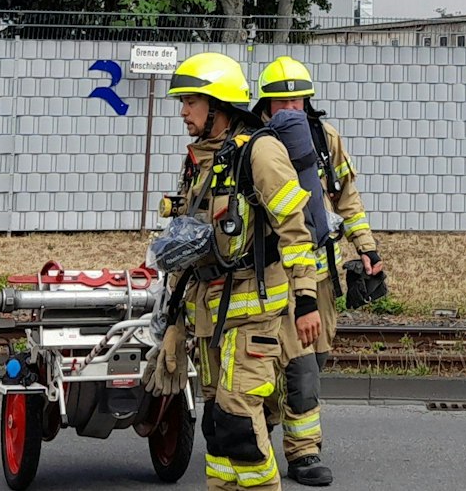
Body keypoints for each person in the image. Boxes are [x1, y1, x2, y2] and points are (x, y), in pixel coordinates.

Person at [150, 52, 319, 491]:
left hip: (254, 313)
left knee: (240, 424)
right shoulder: (201, 163)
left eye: (190, 101)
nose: (183, 111)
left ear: (218, 106)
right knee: (218, 428)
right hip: (210, 318)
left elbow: (295, 231)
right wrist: (174, 321)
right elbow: (188, 249)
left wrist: (305, 301)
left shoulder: (259, 152)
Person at [255, 56, 384, 488]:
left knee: (316, 357)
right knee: (300, 366)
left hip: (323, 272)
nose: (290, 108)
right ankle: (303, 452)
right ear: (265, 105)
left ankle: (268, 423)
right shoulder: (257, 144)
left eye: (297, 100)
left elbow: (346, 197)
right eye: (280, 102)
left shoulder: (326, 139)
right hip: (278, 272)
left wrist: (366, 246)